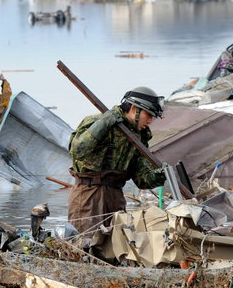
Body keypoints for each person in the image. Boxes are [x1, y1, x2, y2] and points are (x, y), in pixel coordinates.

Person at [67, 86, 167, 236]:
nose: (151, 121)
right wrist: (104, 123)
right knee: (86, 243)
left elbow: (142, 179)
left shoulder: (140, 137)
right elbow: (77, 151)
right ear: (134, 109)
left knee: (118, 245)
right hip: (88, 196)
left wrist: (160, 175)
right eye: (149, 115)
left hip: (115, 197)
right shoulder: (97, 121)